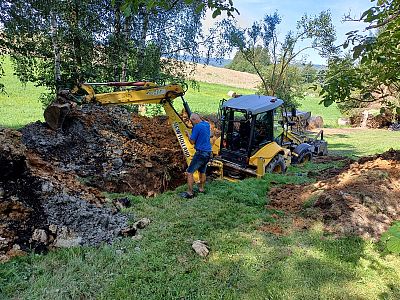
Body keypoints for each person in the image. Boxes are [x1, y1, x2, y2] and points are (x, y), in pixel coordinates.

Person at [180, 113, 212, 199]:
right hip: (208, 152)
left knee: (190, 172)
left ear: (194, 120)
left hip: (200, 153)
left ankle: (190, 193)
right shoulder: (207, 124)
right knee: (202, 171)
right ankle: (201, 189)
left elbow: (192, 142)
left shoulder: (197, 127)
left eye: (192, 121)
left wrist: (188, 135)